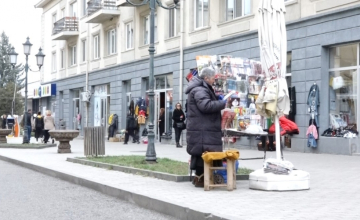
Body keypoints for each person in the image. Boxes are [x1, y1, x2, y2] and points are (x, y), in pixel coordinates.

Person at [185, 67, 227, 187]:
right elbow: (205, 105)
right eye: (213, 78)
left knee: (202, 155)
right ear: (206, 78)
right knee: (203, 155)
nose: (214, 80)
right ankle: (201, 179)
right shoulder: (199, 89)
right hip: (203, 130)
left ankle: (202, 178)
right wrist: (222, 103)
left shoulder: (200, 88)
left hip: (202, 129)